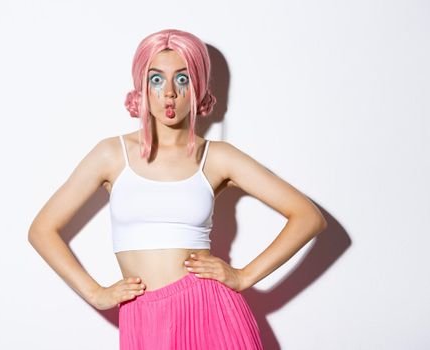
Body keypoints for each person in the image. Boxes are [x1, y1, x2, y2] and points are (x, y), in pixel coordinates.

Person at [28, 28, 327, 349]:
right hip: (143, 319)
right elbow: (42, 230)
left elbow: (308, 216)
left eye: (182, 79)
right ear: (142, 87)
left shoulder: (217, 157)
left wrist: (244, 276)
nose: (169, 92)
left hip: (211, 312)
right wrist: (95, 293)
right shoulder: (111, 154)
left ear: (197, 86)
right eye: (156, 79)